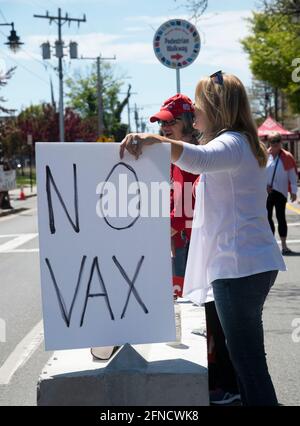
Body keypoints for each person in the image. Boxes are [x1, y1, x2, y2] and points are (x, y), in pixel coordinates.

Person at [120, 71, 286, 406]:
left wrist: (154, 140)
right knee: (247, 360)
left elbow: (200, 161)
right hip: (246, 264)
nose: (194, 110)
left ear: (215, 106)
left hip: (239, 267)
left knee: (249, 364)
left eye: (198, 104)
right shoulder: (242, 142)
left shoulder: (232, 142)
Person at [149, 93, 199, 278]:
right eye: (162, 123)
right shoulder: (174, 154)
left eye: (171, 122)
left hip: (196, 244)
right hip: (185, 241)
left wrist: (151, 232)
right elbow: (175, 197)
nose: (164, 128)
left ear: (187, 122)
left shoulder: (194, 155)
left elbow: (184, 209)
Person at [266, 131, 298, 255]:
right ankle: (271, 245)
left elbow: (292, 175)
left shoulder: (287, 156)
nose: (274, 144)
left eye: (276, 141)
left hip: (281, 192)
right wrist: (263, 187)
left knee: (281, 218)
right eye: (271, 141)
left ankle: (284, 245)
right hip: (267, 192)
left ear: (280, 142)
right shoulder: (265, 155)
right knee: (267, 218)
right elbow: (260, 173)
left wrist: (294, 191)